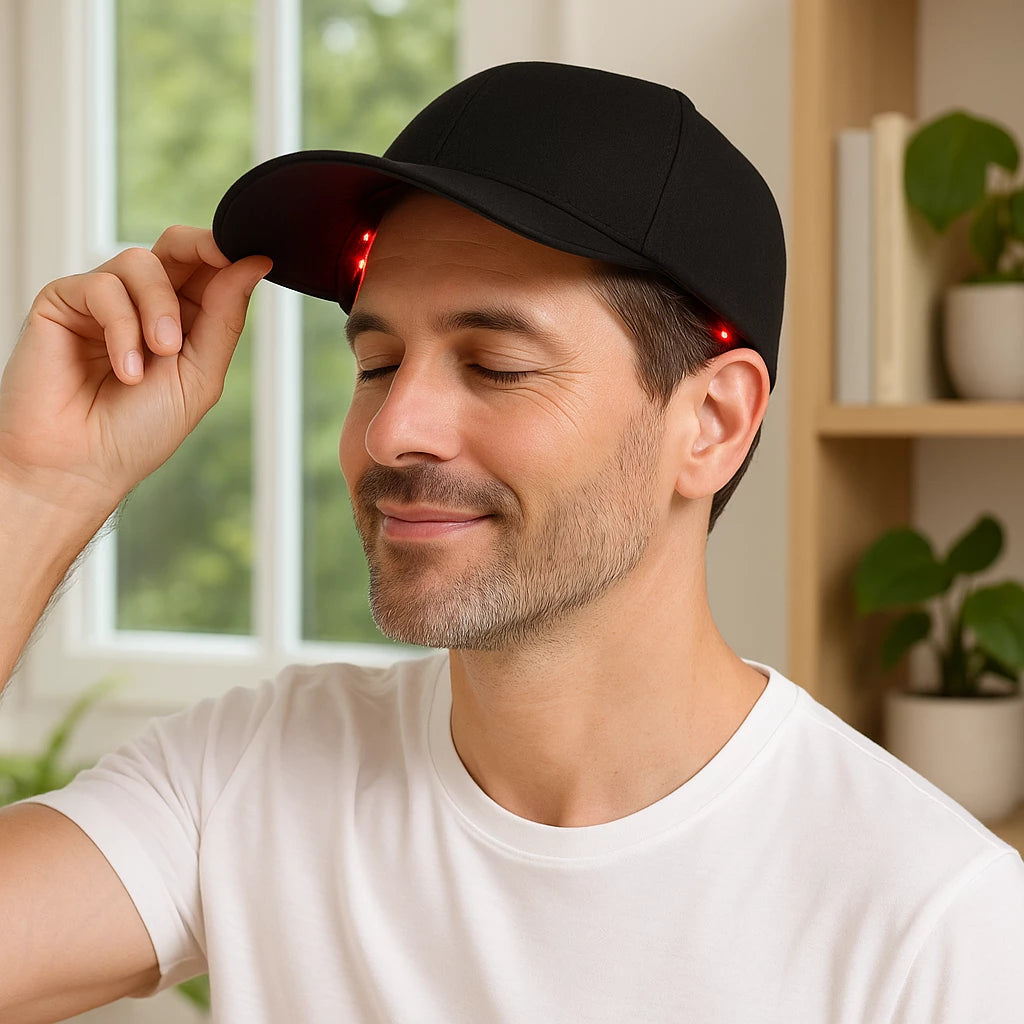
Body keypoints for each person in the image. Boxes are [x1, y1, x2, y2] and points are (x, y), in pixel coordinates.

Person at [0, 60, 1022, 1023]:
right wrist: (40, 489)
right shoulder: (258, 774)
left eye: (493, 365)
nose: (393, 429)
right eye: (377, 362)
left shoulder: (935, 927)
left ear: (710, 423)